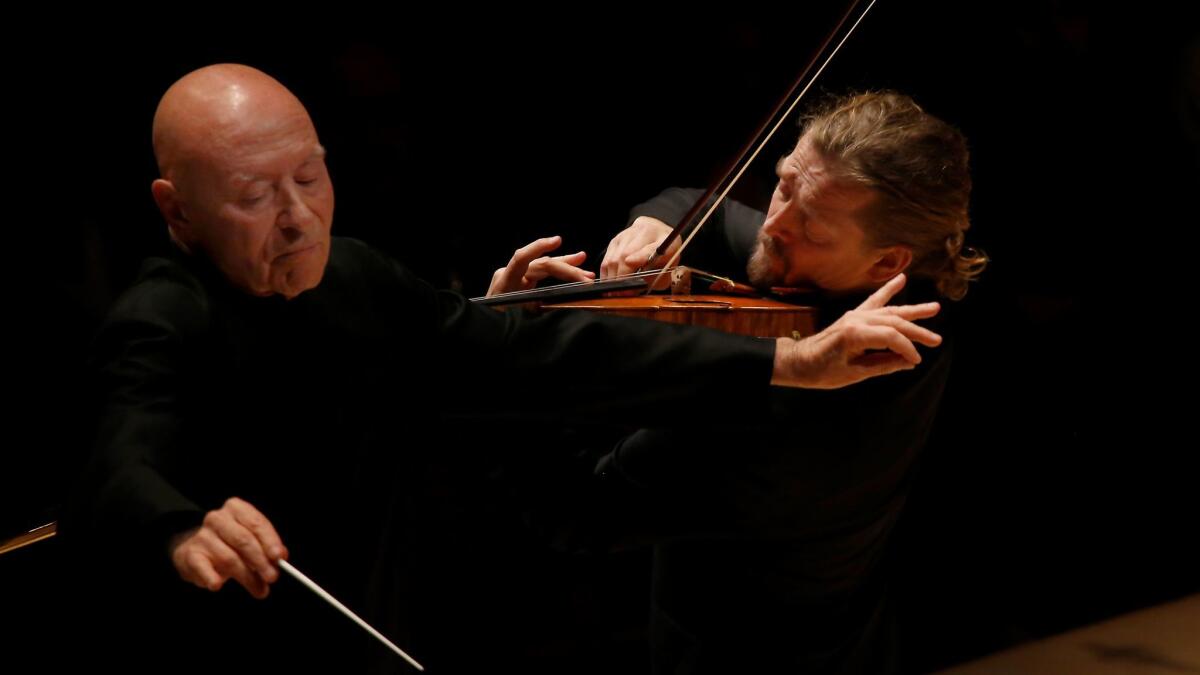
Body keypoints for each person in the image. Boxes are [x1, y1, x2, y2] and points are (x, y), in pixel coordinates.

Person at [65, 66, 942, 674]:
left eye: (310, 178)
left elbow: (533, 370)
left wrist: (784, 360)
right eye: (257, 196)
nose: (299, 221)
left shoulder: (353, 272)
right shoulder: (162, 316)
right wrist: (176, 528)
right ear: (176, 213)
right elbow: (120, 457)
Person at [489, 90, 985, 674]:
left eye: (813, 226)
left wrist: (505, 358)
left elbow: (573, 510)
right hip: (855, 633)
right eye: (783, 185)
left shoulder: (797, 416)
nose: (774, 225)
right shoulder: (908, 288)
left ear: (885, 263)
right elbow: (710, 211)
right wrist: (660, 225)